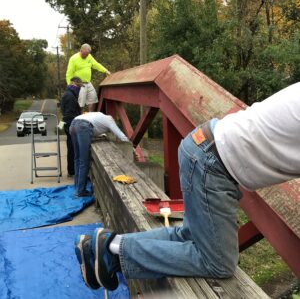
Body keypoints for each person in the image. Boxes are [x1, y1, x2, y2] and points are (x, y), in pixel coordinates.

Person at [74, 82, 300, 290]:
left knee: (189, 236)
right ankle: (111, 251)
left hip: (204, 146)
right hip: (213, 163)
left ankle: (108, 244)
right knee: (219, 262)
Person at [69, 112, 129, 198]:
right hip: (83, 126)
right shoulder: (109, 120)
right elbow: (121, 135)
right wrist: (133, 149)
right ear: (113, 119)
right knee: (84, 161)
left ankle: (77, 187)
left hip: (74, 123)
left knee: (77, 158)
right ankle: (80, 192)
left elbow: (94, 128)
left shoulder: (100, 116)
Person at [66, 43, 111, 112]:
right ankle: (79, 118)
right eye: (85, 54)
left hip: (88, 83)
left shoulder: (89, 57)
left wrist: (105, 71)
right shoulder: (73, 59)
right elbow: (69, 73)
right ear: (81, 50)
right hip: (79, 84)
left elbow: (96, 64)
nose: (86, 56)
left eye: (87, 54)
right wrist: (70, 85)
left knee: (93, 98)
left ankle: (90, 116)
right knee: (80, 104)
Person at [60, 76, 83, 177]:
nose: (79, 88)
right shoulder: (70, 96)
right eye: (78, 86)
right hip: (70, 124)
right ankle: (72, 171)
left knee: (71, 147)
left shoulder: (68, 94)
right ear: (73, 83)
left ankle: (72, 170)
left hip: (68, 123)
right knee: (72, 147)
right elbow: (69, 114)